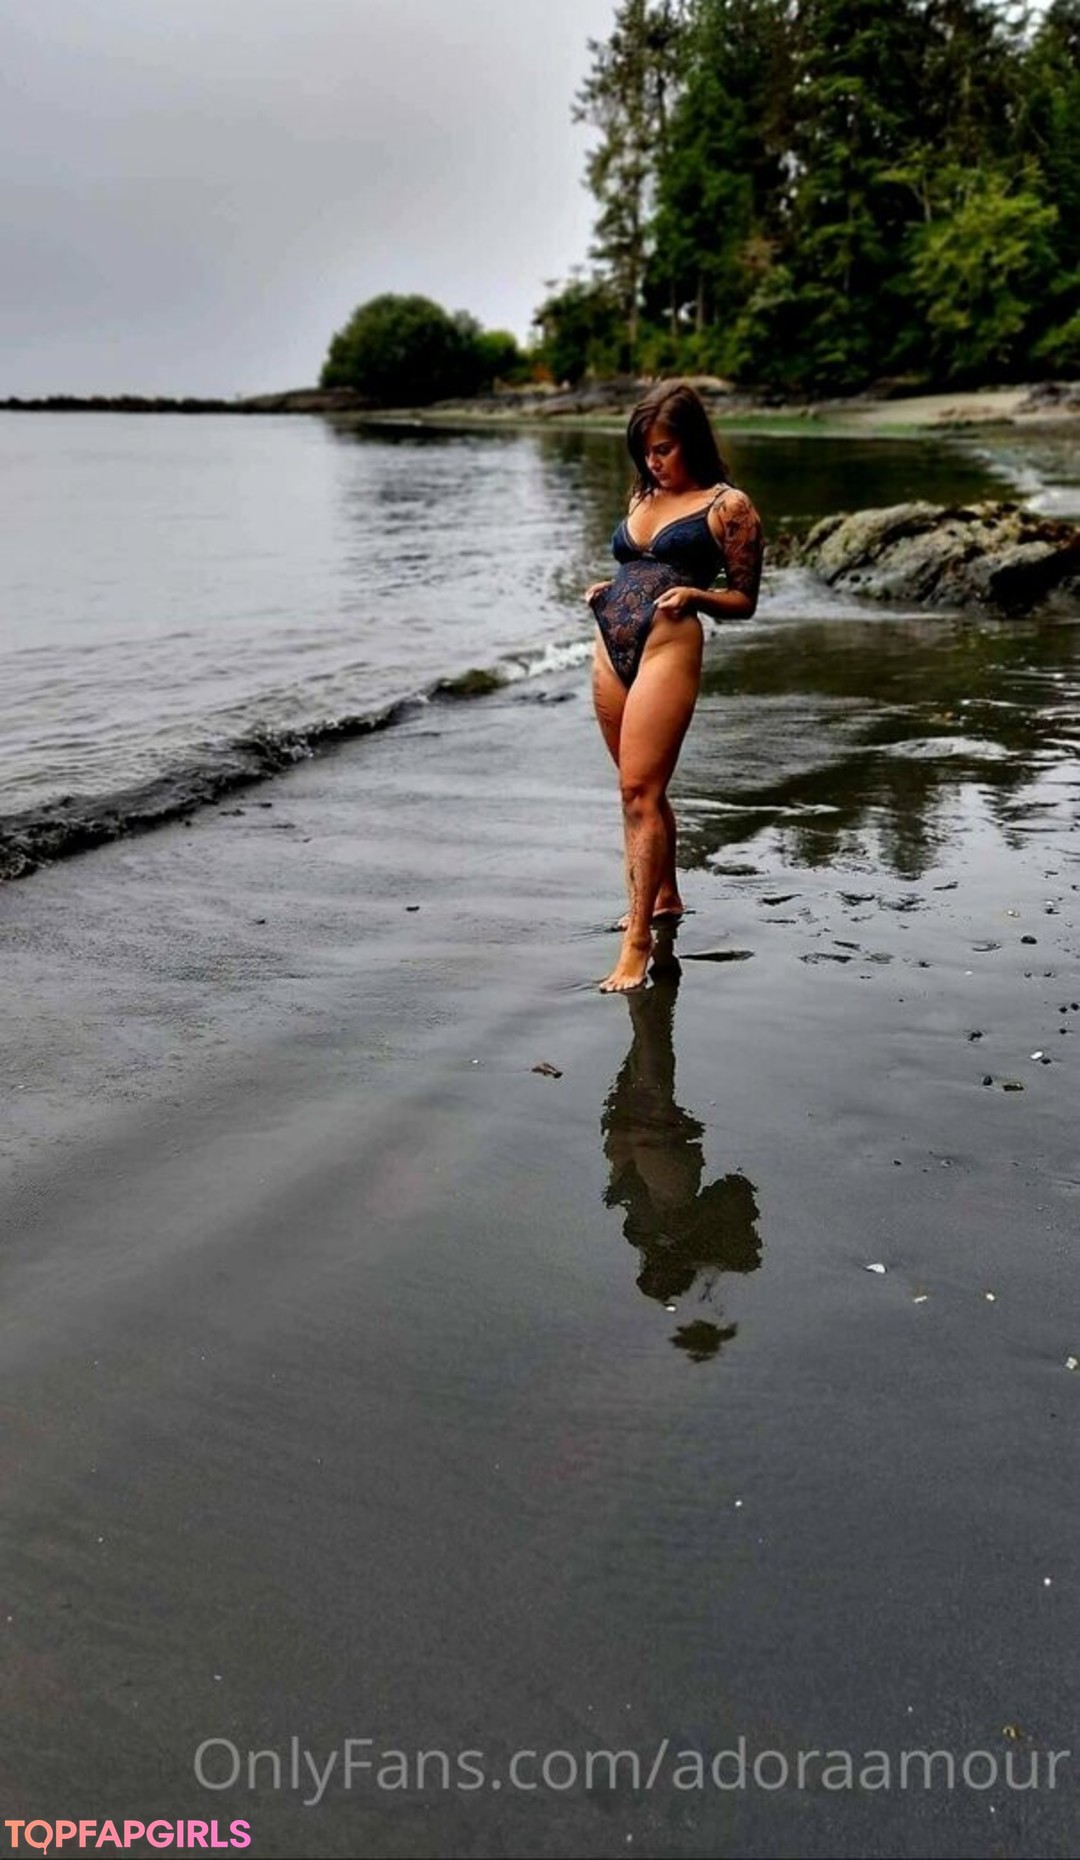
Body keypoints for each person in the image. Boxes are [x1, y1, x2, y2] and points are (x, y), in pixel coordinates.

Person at [585, 381, 764, 992]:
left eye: (662, 449)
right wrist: (608, 588)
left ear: (691, 441)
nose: (653, 462)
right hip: (610, 645)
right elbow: (636, 564)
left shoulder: (729, 506)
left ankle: (637, 944)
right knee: (635, 790)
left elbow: (744, 599)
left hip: (668, 645)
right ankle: (663, 898)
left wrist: (697, 595)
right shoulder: (643, 491)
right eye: (645, 452)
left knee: (640, 791)